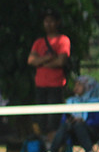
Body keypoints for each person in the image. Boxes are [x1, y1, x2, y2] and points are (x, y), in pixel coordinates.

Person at [32, 75, 99, 152]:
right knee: (66, 124)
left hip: (91, 133)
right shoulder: (71, 101)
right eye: (76, 85)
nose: (76, 87)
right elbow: (64, 119)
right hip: (72, 133)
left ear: (88, 87)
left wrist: (84, 122)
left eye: (79, 85)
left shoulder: (96, 102)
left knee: (78, 124)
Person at [27, 8, 70, 137]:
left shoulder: (63, 40)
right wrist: (48, 58)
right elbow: (31, 60)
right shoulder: (38, 42)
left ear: (57, 22)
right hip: (40, 86)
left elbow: (60, 62)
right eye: (46, 21)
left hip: (55, 86)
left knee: (53, 120)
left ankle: (53, 150)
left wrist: (40, 63)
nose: (48, 24)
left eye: (51, 21)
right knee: (41, 120)